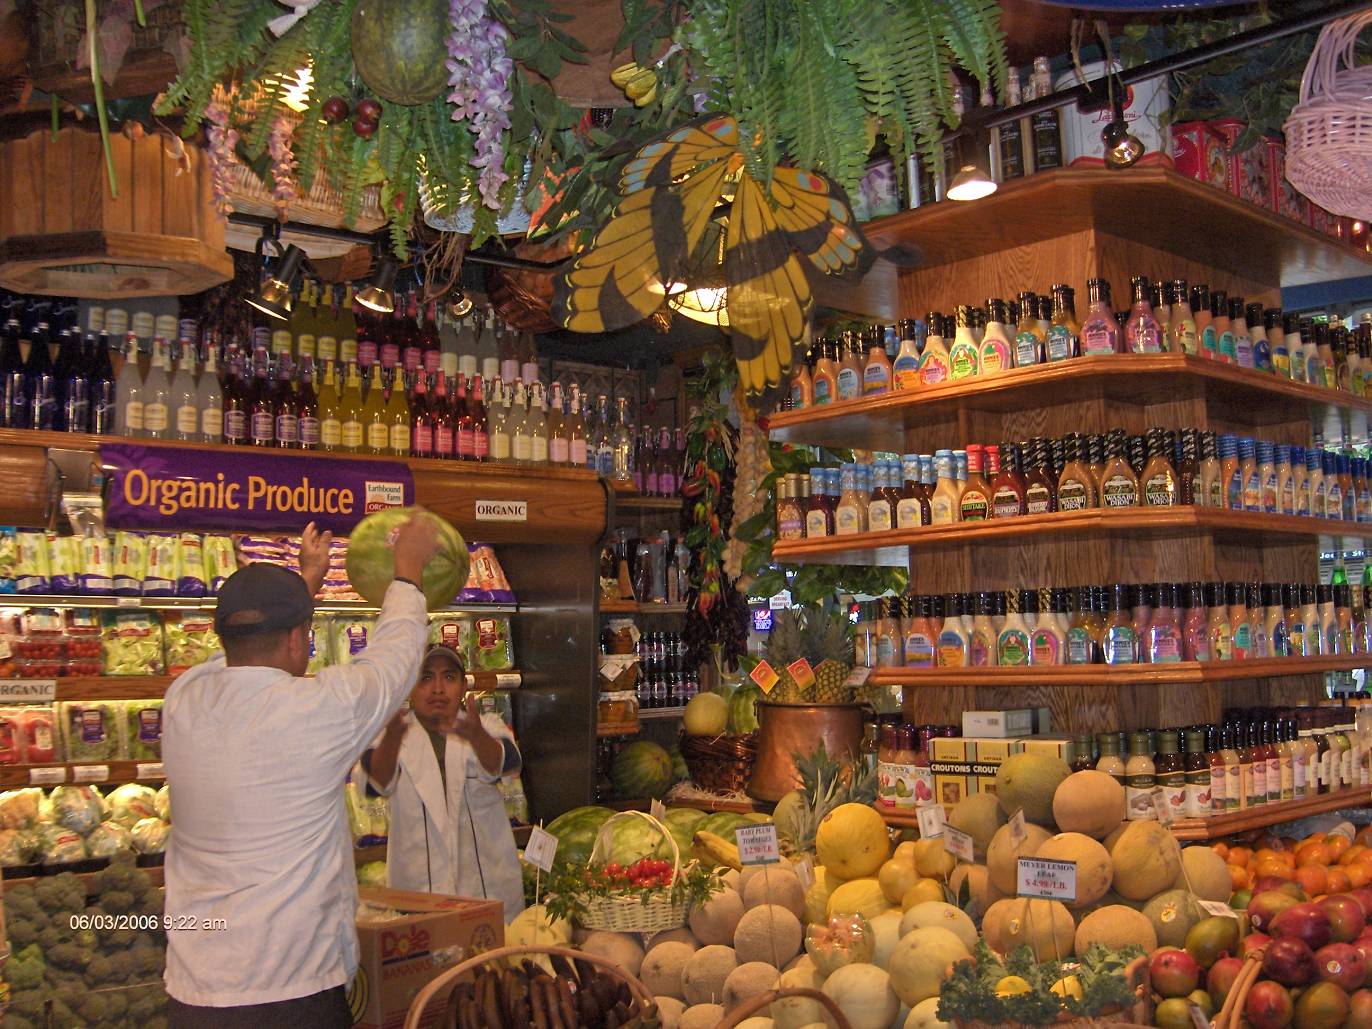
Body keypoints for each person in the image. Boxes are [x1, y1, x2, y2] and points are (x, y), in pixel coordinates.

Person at [162, 514, 440, 1028]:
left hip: (193, 992)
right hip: (291, 993)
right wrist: (406, 572)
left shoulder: (182, 702)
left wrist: (299, 596)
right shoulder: (314, 712)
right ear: (298, 639)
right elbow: (393, 662)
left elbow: (242, 659)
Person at [362, 644, 525, 920]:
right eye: (426, 677)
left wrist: (476, 736)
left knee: (495, 961)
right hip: (419, 896)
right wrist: (392, 739)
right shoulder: (388, 736)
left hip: (487, 890)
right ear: (410, 686)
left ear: (463, 686)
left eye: (449, 677)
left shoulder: (488, 726)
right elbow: (375, 783)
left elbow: (506, 763)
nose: (438, 688)